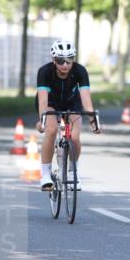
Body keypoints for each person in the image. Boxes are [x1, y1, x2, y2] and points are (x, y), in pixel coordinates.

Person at [35, 39, 101, 191]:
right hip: (50, 102)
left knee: (75, 137)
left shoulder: (80, 71)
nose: (65, 65)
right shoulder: (44, 71)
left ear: (73, 59)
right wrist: (42, 120)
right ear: (53, 60)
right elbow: (43, 100)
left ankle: (72, 172)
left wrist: (93, 121)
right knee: (51, 130)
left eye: (69, 60)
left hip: (72, 102)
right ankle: (45, 175)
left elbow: (86, 98)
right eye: (60, 61)